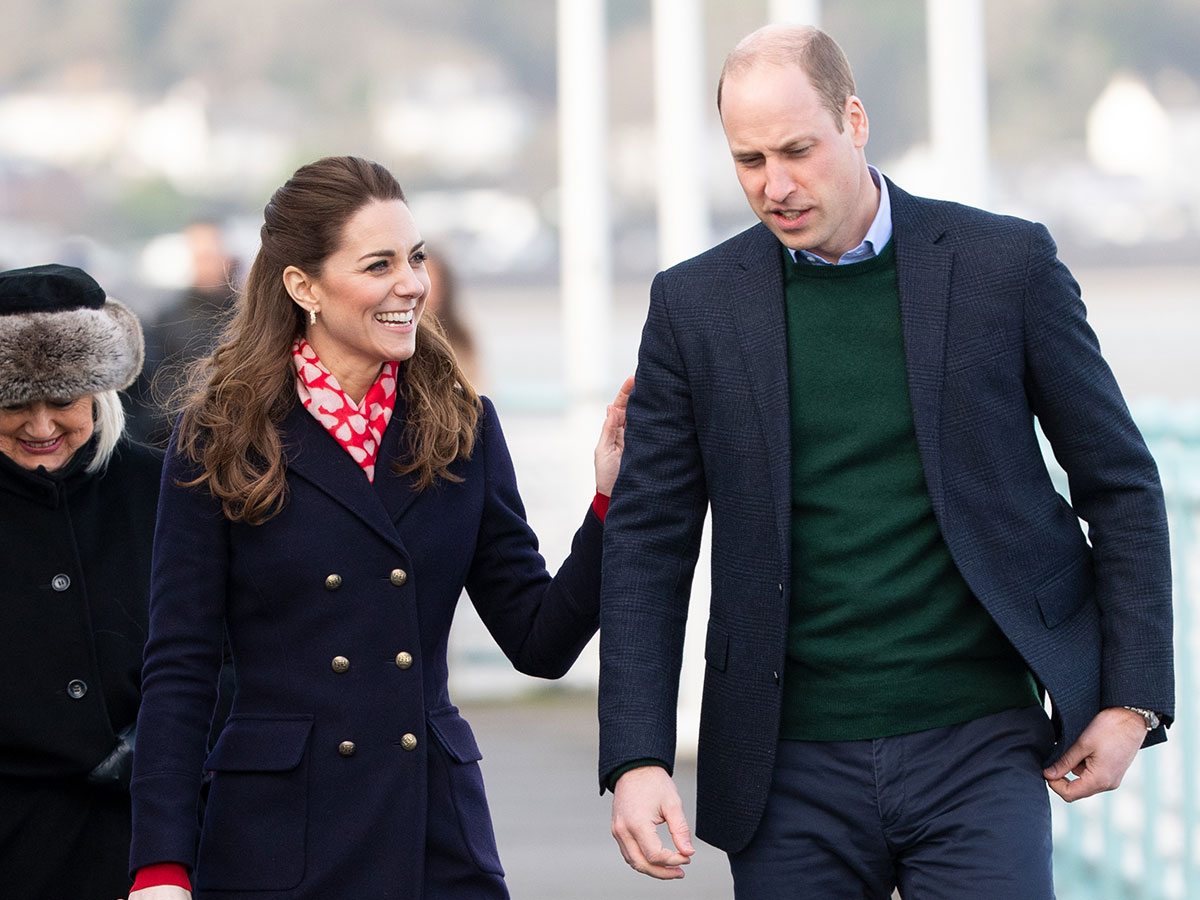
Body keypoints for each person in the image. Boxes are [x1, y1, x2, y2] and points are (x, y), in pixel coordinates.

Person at [598, 24, 1173, 899]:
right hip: (783, 763)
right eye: (749, 160)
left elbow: (1120, 483)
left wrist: (1131, 701)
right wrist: (636, 755)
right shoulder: (693, 305)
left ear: (854, 119)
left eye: (797, 150)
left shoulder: (1005, 266)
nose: (775, 185)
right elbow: (649, 542)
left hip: (980, 742)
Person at [126, 155, 632, 899]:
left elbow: (540, 640)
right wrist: (160, 866)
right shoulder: (222, 437)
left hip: (432, 837)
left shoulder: (462, 427)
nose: (413, 284)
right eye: (379, 264)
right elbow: (180, 666)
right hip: (278, 840)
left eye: (417, 257)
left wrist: (608, 506)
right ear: (304, 287)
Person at [0, 263, 164, 899]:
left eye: (64, 402)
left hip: (155, 842)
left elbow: (236, 649)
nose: (42, 429)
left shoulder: (169, 491)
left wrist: (160, 747)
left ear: (100, 391)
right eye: (14, 404)